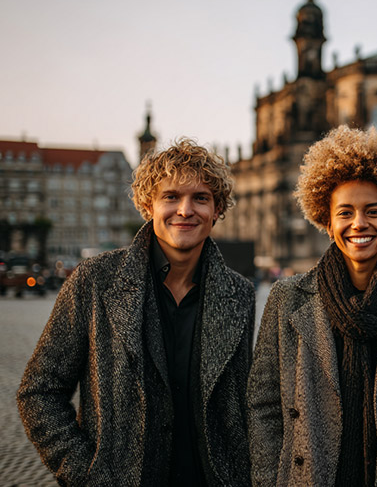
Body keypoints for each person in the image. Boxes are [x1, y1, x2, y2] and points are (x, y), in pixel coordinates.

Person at [17, 139, 255, 486]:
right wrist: (87, 475)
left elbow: (241, 408)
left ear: (217, 210)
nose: (185, 210)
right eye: (171, 196)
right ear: (148, 205)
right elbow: (39, 392)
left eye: (200, 198)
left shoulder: (240, 293)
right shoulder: (94, 281)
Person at [247, 125, 377, 486]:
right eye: (345, 213)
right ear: (327, 222)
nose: (359, 223)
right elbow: (263, 405)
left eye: (373, 211)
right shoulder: (287, 299)